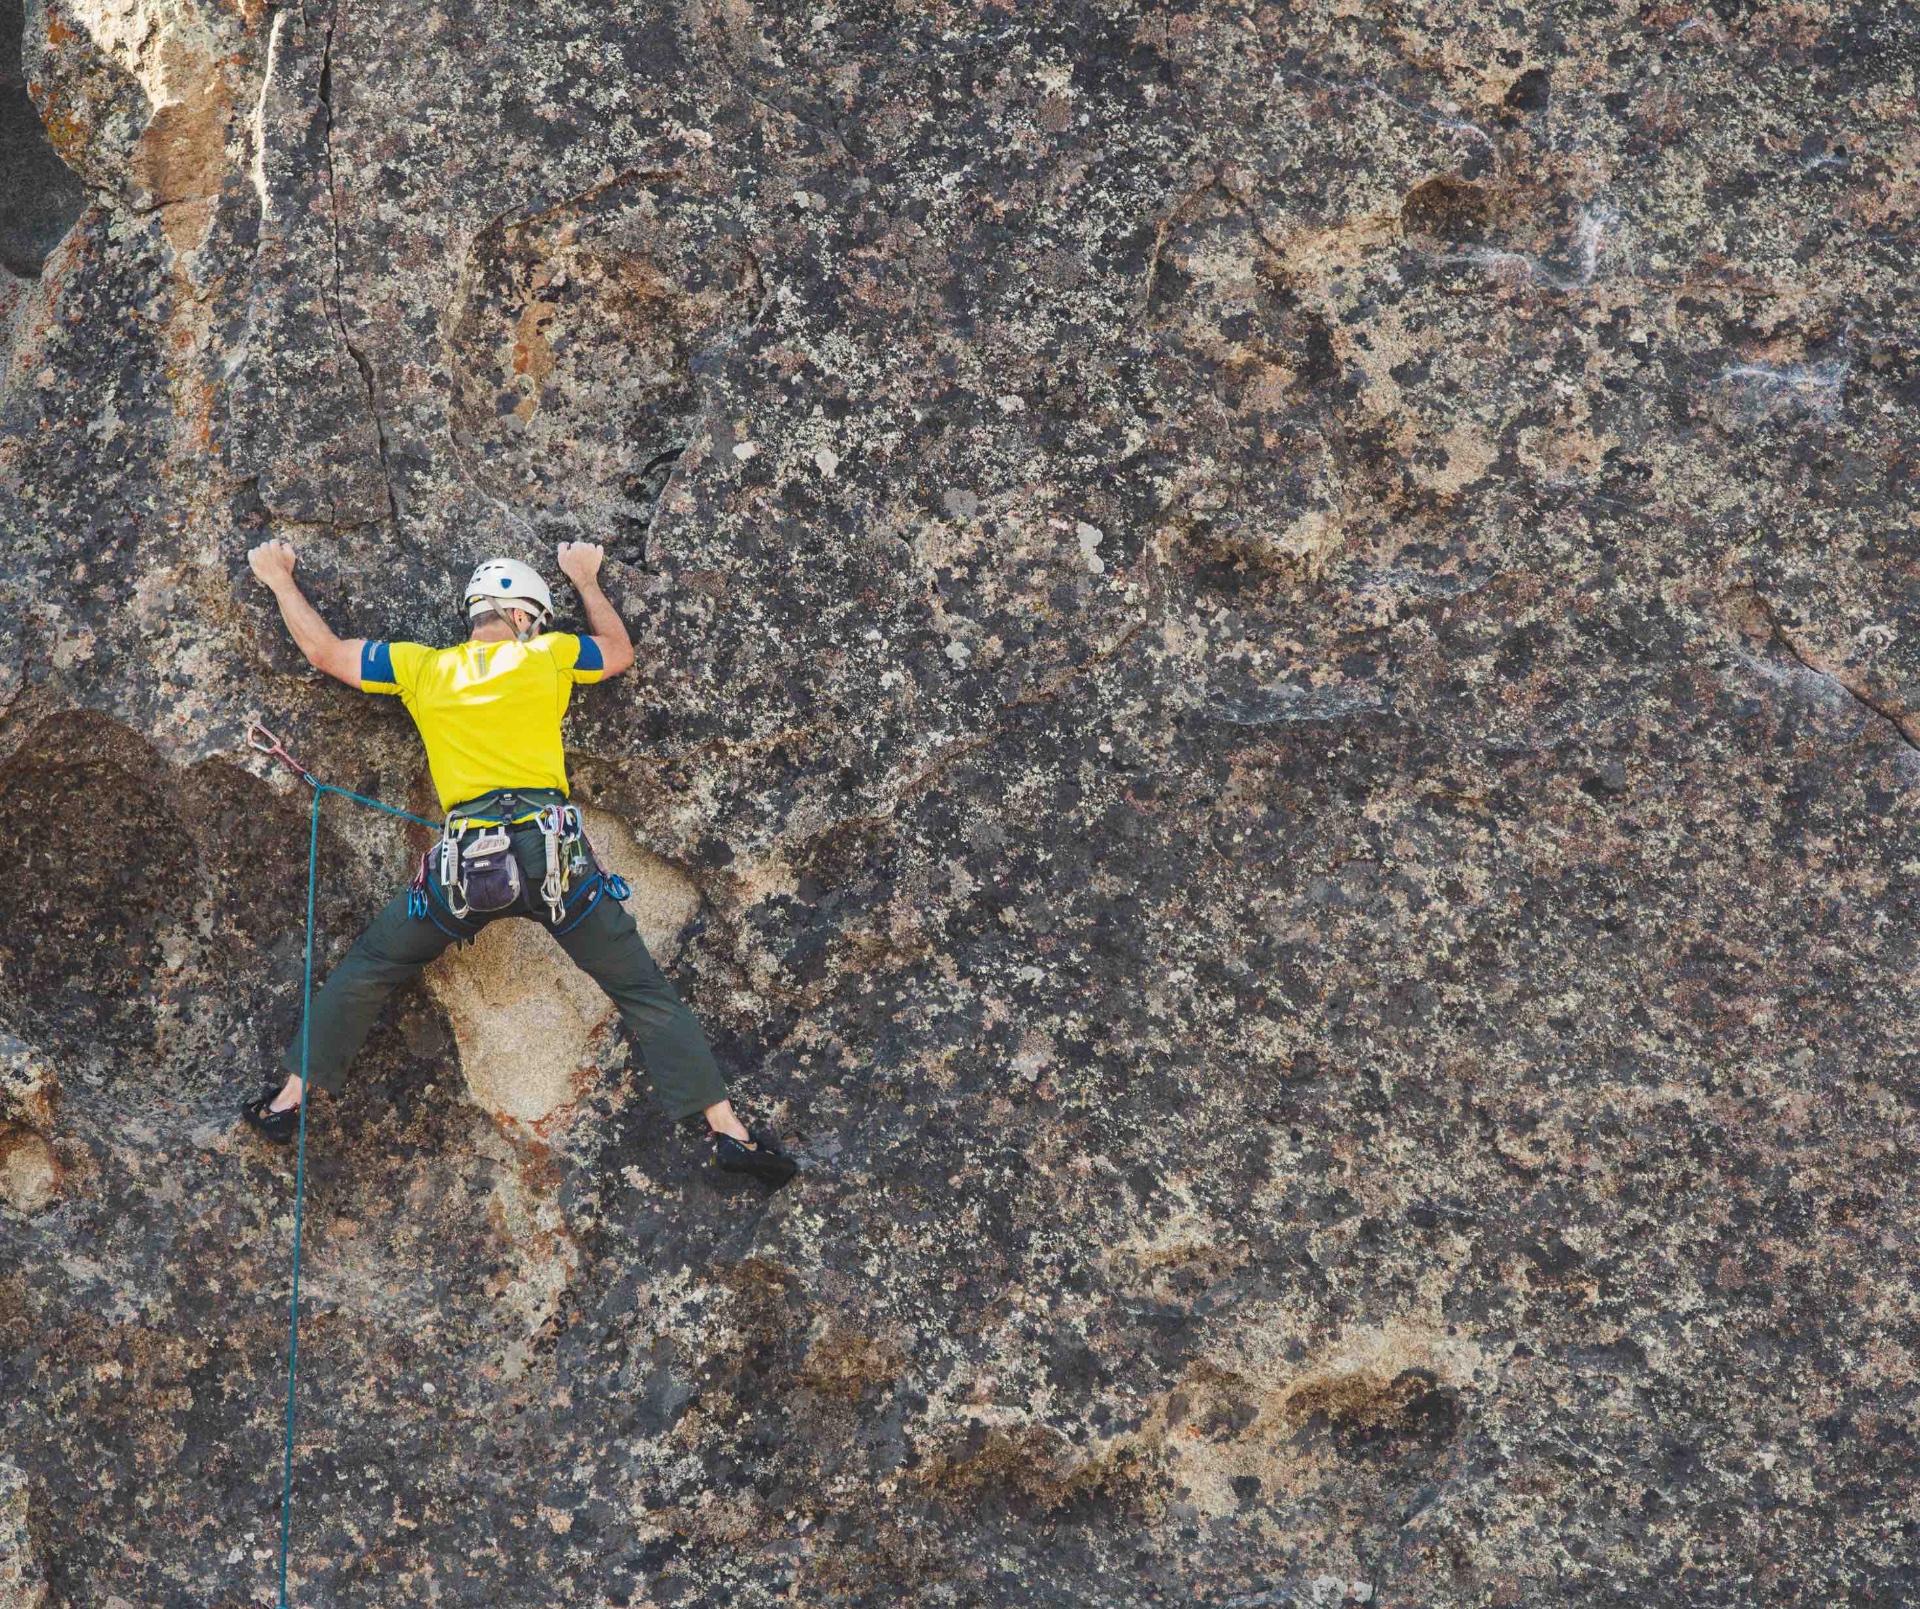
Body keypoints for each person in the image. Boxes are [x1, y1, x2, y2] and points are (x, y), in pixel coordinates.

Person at [238, 538, 798, 1187]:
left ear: (476, 611)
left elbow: (324, 652)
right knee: (642, 991)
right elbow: (618, 652)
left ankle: (287, 1102)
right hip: (552, 858)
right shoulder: (549, 654)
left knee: (371, 965)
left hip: (466, 867)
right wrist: (586, 579)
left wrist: (279, 578)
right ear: (525, 616)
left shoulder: (421, 667)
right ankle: (729, 1132)